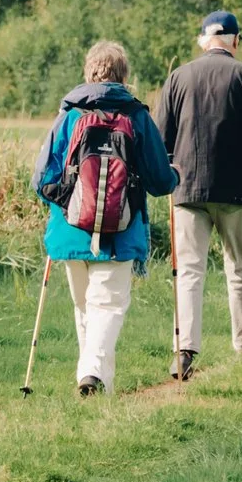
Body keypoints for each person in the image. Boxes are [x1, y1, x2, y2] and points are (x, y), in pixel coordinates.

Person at [31, 39, 179, 396]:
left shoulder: (68, 116)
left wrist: (67, 201)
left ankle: (95, 380)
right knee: (107, 305)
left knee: (86, 307)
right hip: (121, 232)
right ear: (124, 76)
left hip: (71, 232)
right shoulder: (137, 116)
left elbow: (40, 181)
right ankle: (94, 375)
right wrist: (173, 174)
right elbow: (160, 182)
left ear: (88, 71)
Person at [155, 9, 242, 381]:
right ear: (235, 41)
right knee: (239, 269)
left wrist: (167, 176)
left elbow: (162, 139)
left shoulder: (178, 77)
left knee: (189, 271)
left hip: (188, 189)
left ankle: (185, 351)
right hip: (238, 192)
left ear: (202, 41)